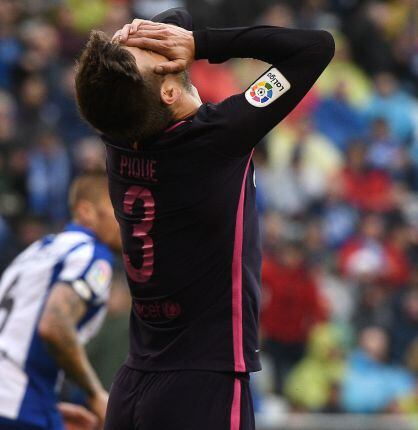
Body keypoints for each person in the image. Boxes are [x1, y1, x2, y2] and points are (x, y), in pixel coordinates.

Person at [74, 8, 334, 430]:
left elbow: (174, 17)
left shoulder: (118, 136)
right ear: (168, 94)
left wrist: (136, 36)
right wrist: (201, 44)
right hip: (202, 386)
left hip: (134, 388)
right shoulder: (218, 136)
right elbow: (315, 47)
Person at [0, 174, 121, 430]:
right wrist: (95, 394)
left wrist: (44, 403)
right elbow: (53, 326)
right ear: (86, 211)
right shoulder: (91, 253)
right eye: (118, 208)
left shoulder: (34, 252)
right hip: (12, 412)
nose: (129, 220)